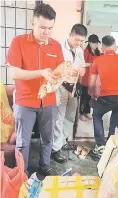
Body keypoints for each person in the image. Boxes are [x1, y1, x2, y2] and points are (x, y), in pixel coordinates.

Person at [6, 3, 64, 175]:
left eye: (50, 28)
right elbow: (14, 73)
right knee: (23, 142)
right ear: (33, 24)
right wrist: (41, 73)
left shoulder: (56, 46)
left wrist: (68, 74)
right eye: (42, 27)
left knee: (47, 138)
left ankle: (45, 166)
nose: (46, 32)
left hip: (48, 101)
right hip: (25, 101)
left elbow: (60, 71)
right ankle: (21, 173)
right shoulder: (19, 42)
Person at [89, 35, 118, 161]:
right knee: (115, 121)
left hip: (107, 97)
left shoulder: (98, 60)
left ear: (102, 47)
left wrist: (93, 96)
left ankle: (100, 146)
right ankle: (111, 147)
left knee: (96, 115)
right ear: (115, 47)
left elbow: (92, 84)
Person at [51, 24, 88, 163]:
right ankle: (55, 149)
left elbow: (82, 67)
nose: (78, 43)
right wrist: (67, 71)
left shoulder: (79, 50)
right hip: (61, 87)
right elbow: (54, 68)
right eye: (76, 39)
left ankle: (62, 141)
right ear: (70, 35)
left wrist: (81, 71)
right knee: (59, 117)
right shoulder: (59, 47)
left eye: (81, 41)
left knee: (70, 117)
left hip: (73, 87)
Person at [80, 34, 101, 121]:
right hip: (86, 78)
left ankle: (87, 112)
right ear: (89, 43)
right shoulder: (86, 51)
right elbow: (82, 63)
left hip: (94, 78)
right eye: (94, 43)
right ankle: (81, 113)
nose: (96, 45)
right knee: (84, 97)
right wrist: (91, 64)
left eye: (97, 43)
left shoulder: (98, 52)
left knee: (90, 97)